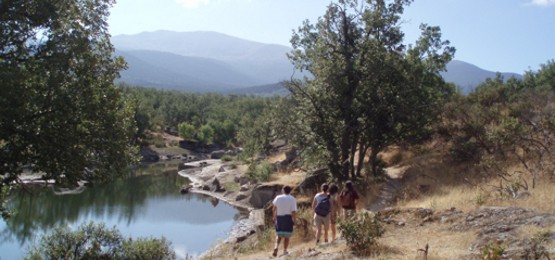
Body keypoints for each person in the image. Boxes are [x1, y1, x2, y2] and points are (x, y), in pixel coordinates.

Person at [272, 185, 297, 257]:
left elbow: (273, 209)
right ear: (290, 191)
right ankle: (285, 250)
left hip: (279, 218)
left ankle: (276, 247)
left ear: (283, 190)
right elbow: (294, 212)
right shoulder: (292, 199)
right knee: (287, 236)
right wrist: (294, 221)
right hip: (288, 218)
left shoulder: (278, 197)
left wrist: (274, 217)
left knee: (278, 235)